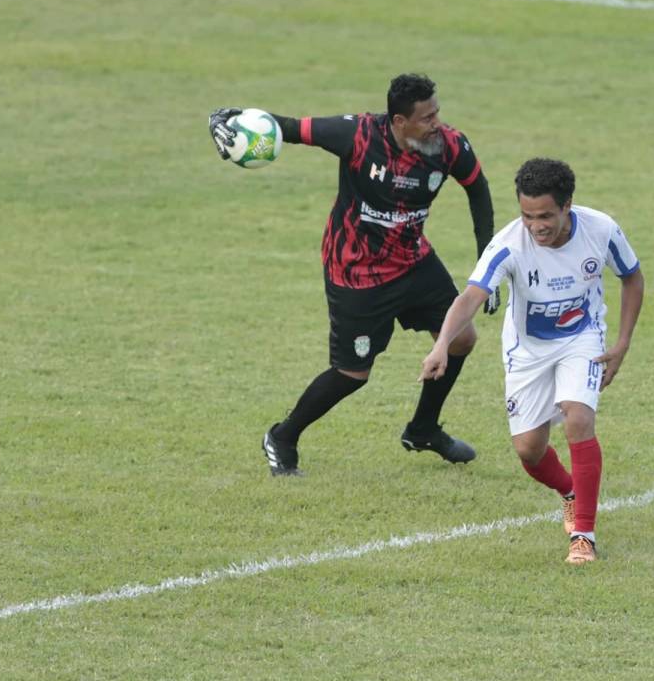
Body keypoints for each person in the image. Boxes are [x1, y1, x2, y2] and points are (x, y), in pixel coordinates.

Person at [207, 73, 501, 476]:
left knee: (461, 339)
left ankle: (423, 429)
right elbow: (291, 129)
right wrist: (234, 119)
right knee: (352, 373)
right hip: (356, 271)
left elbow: (478, 189)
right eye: (427, 117)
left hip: (413, 260)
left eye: (438, 113)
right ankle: (283, 435)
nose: (438, 123)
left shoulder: (448, 146)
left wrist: (487, 262)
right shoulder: (358, 135)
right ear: (399, 122)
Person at [420, 158, 644, 564]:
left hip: (582, 337)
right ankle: (571, 492)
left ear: (567, 206)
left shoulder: (601, 230)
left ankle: (584, 536)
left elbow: (632, 276)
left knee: (579, 418)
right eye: (527, 216)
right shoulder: (509, 243)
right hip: (527, 350)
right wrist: (441, 346)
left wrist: (623, 343)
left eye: (545, 216)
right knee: (529, 450)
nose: (536, 225)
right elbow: (471, 296)